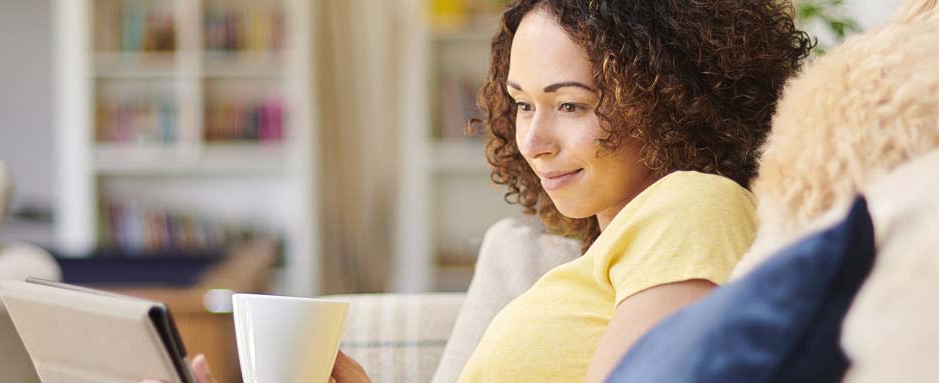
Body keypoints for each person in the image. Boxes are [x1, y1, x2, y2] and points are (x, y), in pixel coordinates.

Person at [166, 0, 810, 381]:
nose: (534, 141)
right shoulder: (607, 253)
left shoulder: (695, 205)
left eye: (571, 104)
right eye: (523, 105)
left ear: (674, 99)